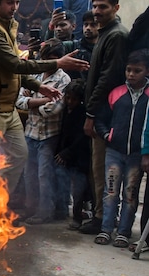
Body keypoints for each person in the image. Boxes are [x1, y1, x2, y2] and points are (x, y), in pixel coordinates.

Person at [0, 0, 89, 196]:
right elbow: (16, 65)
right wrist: (57, 63)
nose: (14, 7)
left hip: (8, 106)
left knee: (19, 155)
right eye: (9, 3)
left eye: (17, 2)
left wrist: (39, 86)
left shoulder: (7, 26)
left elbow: (15, 70)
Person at [91, 49, 149, 248]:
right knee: (111, 191)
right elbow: (101, 119)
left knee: (131, 193)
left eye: (137, 71)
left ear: (147, 72)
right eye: (128, 70)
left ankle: (124, 232)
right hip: (114, 151)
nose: (131, 74)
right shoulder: (116, 93)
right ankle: (106, 230)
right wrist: (108, 135)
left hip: (136, 154)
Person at [80, 0, 128, 234]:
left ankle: (102, 219)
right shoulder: (106, 33)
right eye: (95, 6)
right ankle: (102, 215)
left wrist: (91, 114)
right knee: (97, 168)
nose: (97, 11)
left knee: (102, 169)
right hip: (100, 113)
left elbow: (108, 79)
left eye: (103, 7)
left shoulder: (116, 36)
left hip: (104, 117)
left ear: (116, 8)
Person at [15, 38, 71, 225]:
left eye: (54, 58)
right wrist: (44, 99)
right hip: (30, 132)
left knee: (44, 175)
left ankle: (45, 211)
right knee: (28, 174)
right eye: (47, 58)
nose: (49, 63)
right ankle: (30, 208)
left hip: (49, 135)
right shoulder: (34, 73)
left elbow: (52, 110)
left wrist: (31, 101)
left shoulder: (64, 79)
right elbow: (18, 101)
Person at [54, 79, 91, 230]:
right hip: (65, 156)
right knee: (62, 184)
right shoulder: (64, 111)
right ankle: (61, 211)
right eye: (67, 98)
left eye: (73, 99)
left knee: (78, 192)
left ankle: (77, 218)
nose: (70, 101)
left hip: (79, 158)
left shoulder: (82, 113)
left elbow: (82, 137)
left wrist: (67, 153)